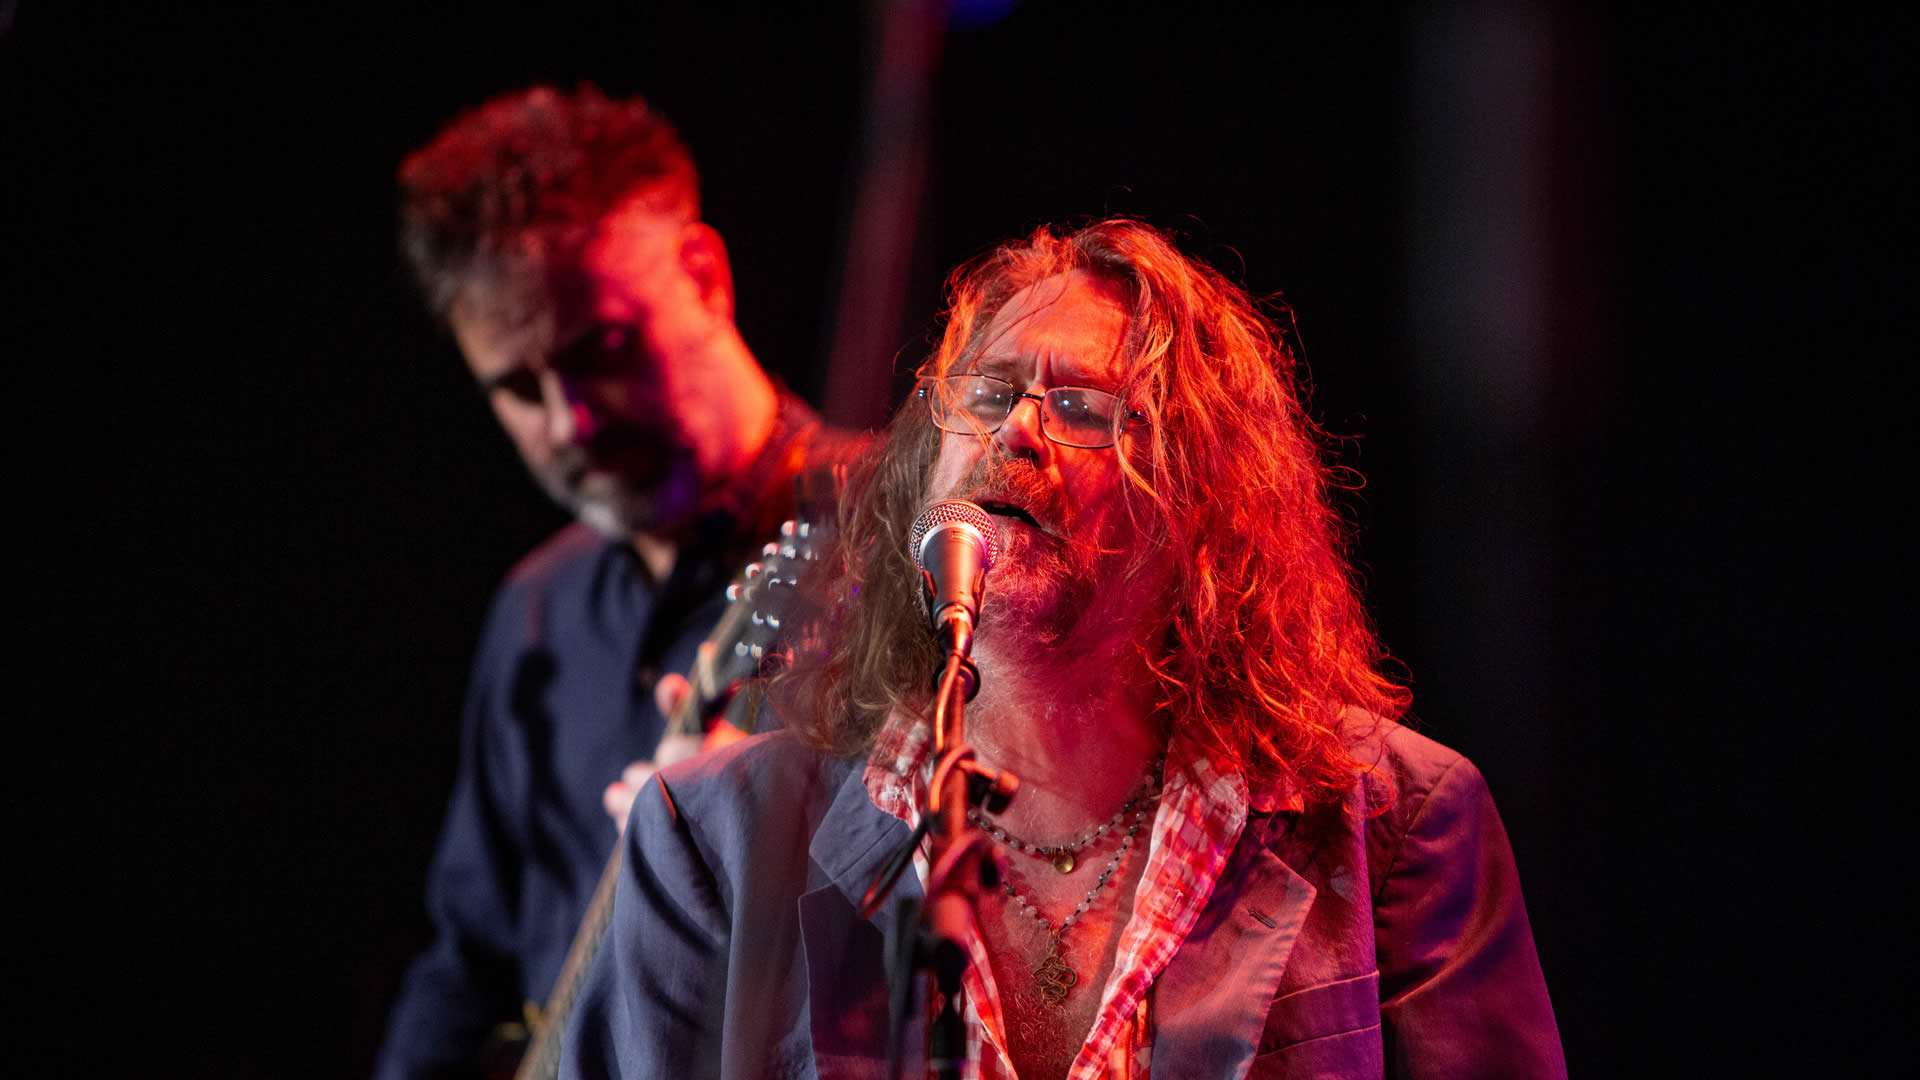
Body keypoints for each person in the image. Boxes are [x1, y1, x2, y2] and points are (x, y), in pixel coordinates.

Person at [562, 219, 1566, 1079]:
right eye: (991, 397)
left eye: (1082, 409)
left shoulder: (1393, 826)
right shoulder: (716, 839)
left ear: (1207, 504)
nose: (1019, 434)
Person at [374, 85, 861, 1079]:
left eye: (601, 352)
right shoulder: (537, 610)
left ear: (705, 275)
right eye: (518, 387)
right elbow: (467, 961)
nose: (571, 426)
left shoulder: (900, 541)